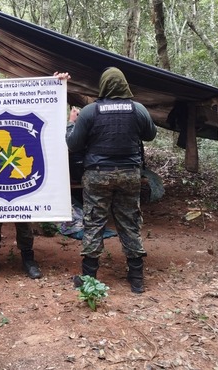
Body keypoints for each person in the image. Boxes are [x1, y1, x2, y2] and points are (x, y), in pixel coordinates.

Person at [58, 68, 157, 293]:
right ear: (124, 85)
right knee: (129, 222)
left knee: (94, 223)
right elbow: (150, 135)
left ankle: (89, 279)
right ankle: (137, 279)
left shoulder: (90, 112)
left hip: (97, 175)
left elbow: (73, 145)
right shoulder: (137, 109)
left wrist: (72, 122)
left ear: (103, 86)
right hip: (129, 174)